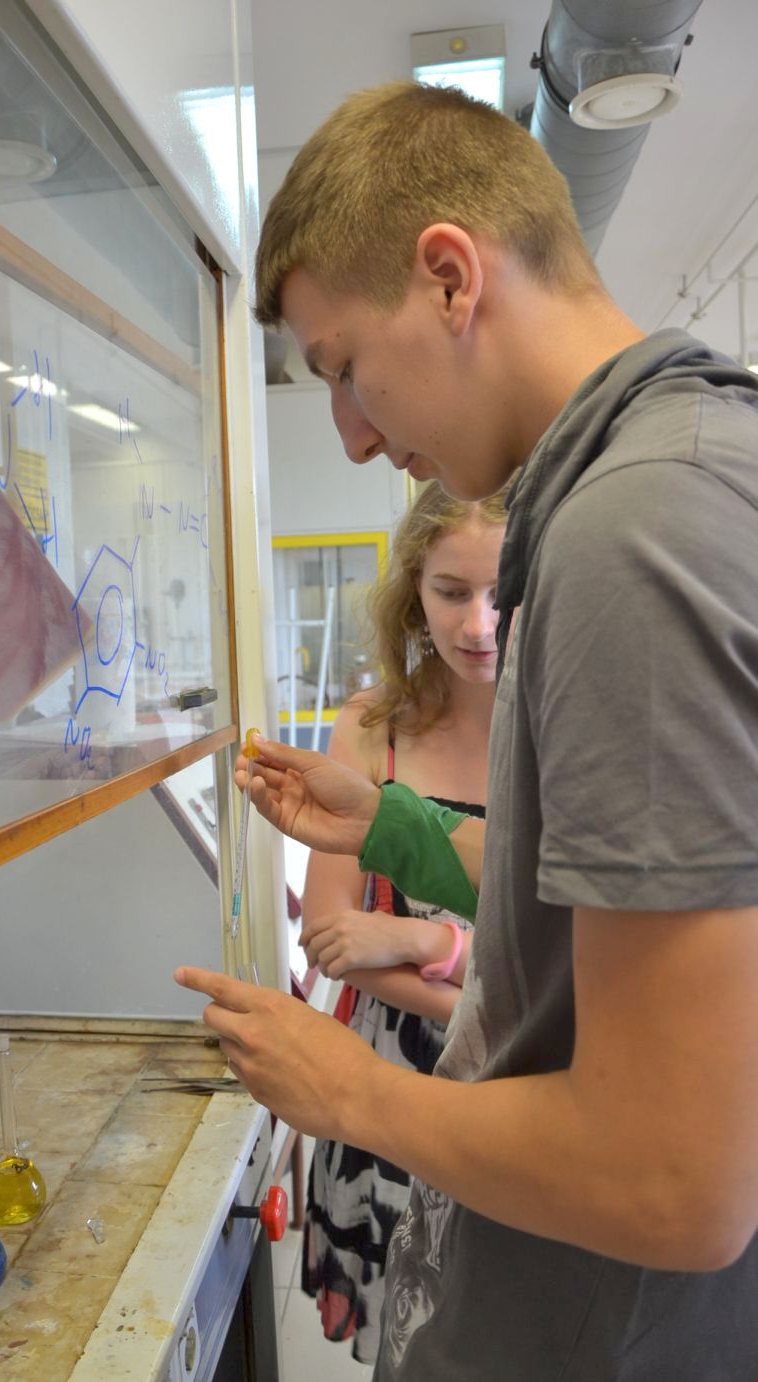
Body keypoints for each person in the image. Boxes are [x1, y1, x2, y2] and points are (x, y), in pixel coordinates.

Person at [176, 80, 758, 1382]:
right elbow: (622, 895)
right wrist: (390, 825)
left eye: (341, 367)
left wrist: (346, 1088)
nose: (352, 432)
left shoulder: (632, 531)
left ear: (449, 276)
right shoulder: (684, 466)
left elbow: (675, 1178)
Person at [300, 479, 505, 1363]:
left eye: (503, 592)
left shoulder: (568, 723)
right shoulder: (371, 725)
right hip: (393, 1084)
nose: (479, 625)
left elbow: (582, 955)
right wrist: (476, 988)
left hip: (515, 1085)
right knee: (404, 1341)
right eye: (452, 592)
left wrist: (422, 940)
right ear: (412, 591)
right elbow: (329, 937)